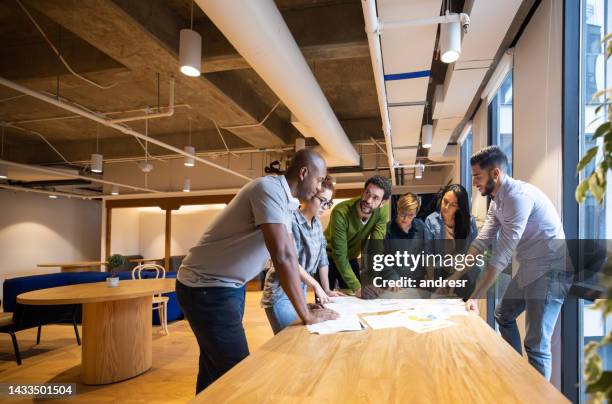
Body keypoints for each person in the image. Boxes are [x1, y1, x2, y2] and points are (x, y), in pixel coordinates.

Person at [176, 149, 338, 393]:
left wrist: (307, 302)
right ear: (303, 173)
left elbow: (290, 255)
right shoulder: (268, 189)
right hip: (206, 288)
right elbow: (282, 257)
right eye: (318, 180)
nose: (318, 187)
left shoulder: (287, 203)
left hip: (228, 287)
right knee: (239, 374)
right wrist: (305, 314)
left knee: (214, 370)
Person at [457, 146, 569, 380]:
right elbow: (482, 241)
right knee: (503, 315)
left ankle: (535, 397)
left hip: (551, 271)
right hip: (530, 267)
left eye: (478, 176)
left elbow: (501, 255)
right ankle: (518, 373)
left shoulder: (519, 198)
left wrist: (475, 296)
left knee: (536, 345)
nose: (475, 182)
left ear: (495, 174)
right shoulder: (497, 201)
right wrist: (455, 276)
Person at [261, 176, 343, 334]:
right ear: (310, 195)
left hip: (299, 292)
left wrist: (326, 289)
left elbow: (322, 259)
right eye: (322, 200)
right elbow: (290, 261)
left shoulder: (317, 224)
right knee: (290, 341)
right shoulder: (290, 220)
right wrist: (316, 285)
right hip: (280, 294)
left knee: (305, 336)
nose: (326, 206)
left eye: (329, 203)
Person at [324, 175, 391, 296]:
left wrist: (372, 282)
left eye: (375, 198)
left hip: (351, 257)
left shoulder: (382, 211)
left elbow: (376, 248)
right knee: (324, 300)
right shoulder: (341, 212)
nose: (368, 200)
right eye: (367, 193)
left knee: (355, 298)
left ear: (382, 202)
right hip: (327, 257)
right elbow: (339, 254)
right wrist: (358, 288)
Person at [424, 184, 479, 298]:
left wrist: (458, 277)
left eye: (453, 205)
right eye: (445, 201)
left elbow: (474, 252)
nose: (446, 207)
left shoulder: (469, 222)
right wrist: (433, 282)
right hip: (440, 274)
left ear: (459, 207)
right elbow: (428, 255)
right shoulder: (431, 220)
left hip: (464, 275)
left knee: (463, 312)